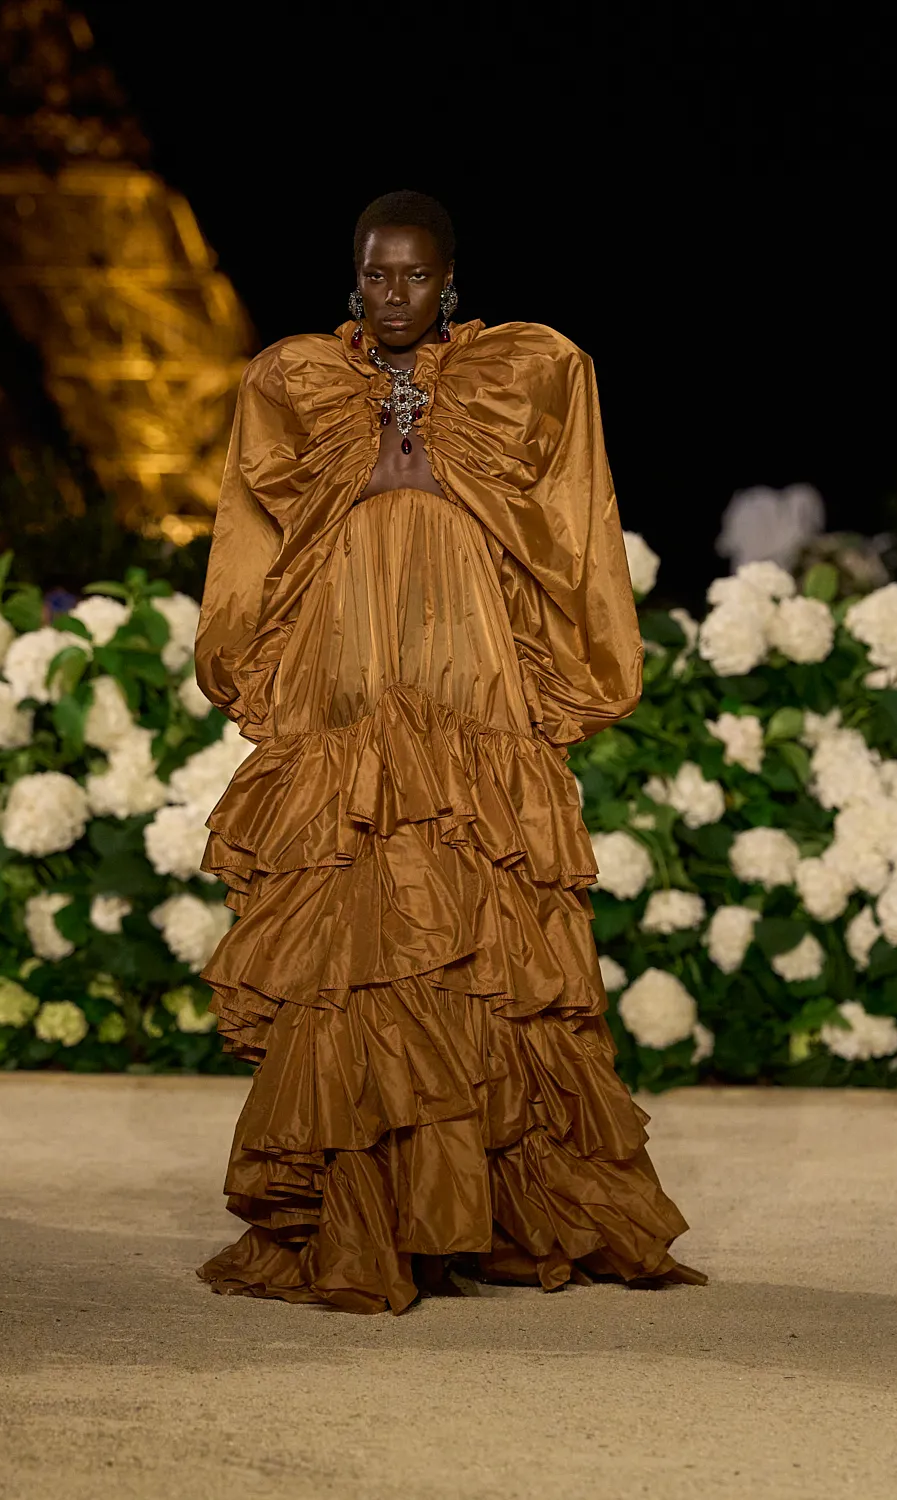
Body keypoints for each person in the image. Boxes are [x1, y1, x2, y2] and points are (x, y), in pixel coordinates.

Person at [193, 190, 707, 1314]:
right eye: (377, 273)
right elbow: (255, 523)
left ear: (449, 279)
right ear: (353, 276)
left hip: (466, 656)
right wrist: (248, 645)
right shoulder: (296, 380)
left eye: (415, 275)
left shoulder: (519, 370)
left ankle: (488, 1198)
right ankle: (367, 1204)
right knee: (357, 907)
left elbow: (565, 509)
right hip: (348, 655)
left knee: (475, 903)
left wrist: (570, 642)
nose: (394, 294)